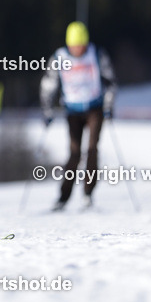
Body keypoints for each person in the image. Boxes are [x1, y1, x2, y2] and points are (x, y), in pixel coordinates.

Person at [40, 21, 117, 211]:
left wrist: (108, 105)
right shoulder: (59, 57)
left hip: (94, 109)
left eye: (81, 45)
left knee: (92, 150)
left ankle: (88, 194)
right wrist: (47, 110)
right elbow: (48, 85)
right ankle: (63, 197)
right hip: (73, 111)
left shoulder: (97, 54)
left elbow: (110, 82)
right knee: (74, 154)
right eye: (74, 46)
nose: (78, 49)